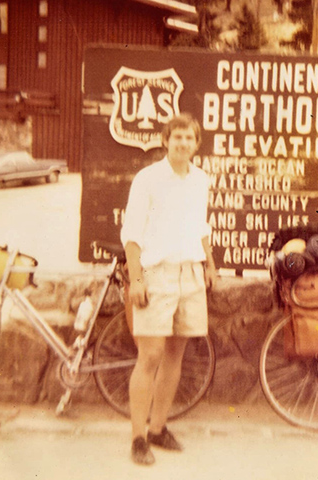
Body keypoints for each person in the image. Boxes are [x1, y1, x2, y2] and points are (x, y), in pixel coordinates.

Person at [120, 113, 217, 465]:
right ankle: (138, 438)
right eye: (176, 137)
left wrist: (209, 263)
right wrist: (137, 279)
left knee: (175, 356)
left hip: (189, 273)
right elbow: (131, 232)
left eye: (188, 139)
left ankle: (159, 428)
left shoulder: (200, 179)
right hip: (156, 274)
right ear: (165, 141)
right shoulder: (147, 179)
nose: (182, 143)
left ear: (196, 144)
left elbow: (200, 225)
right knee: (150, 356)